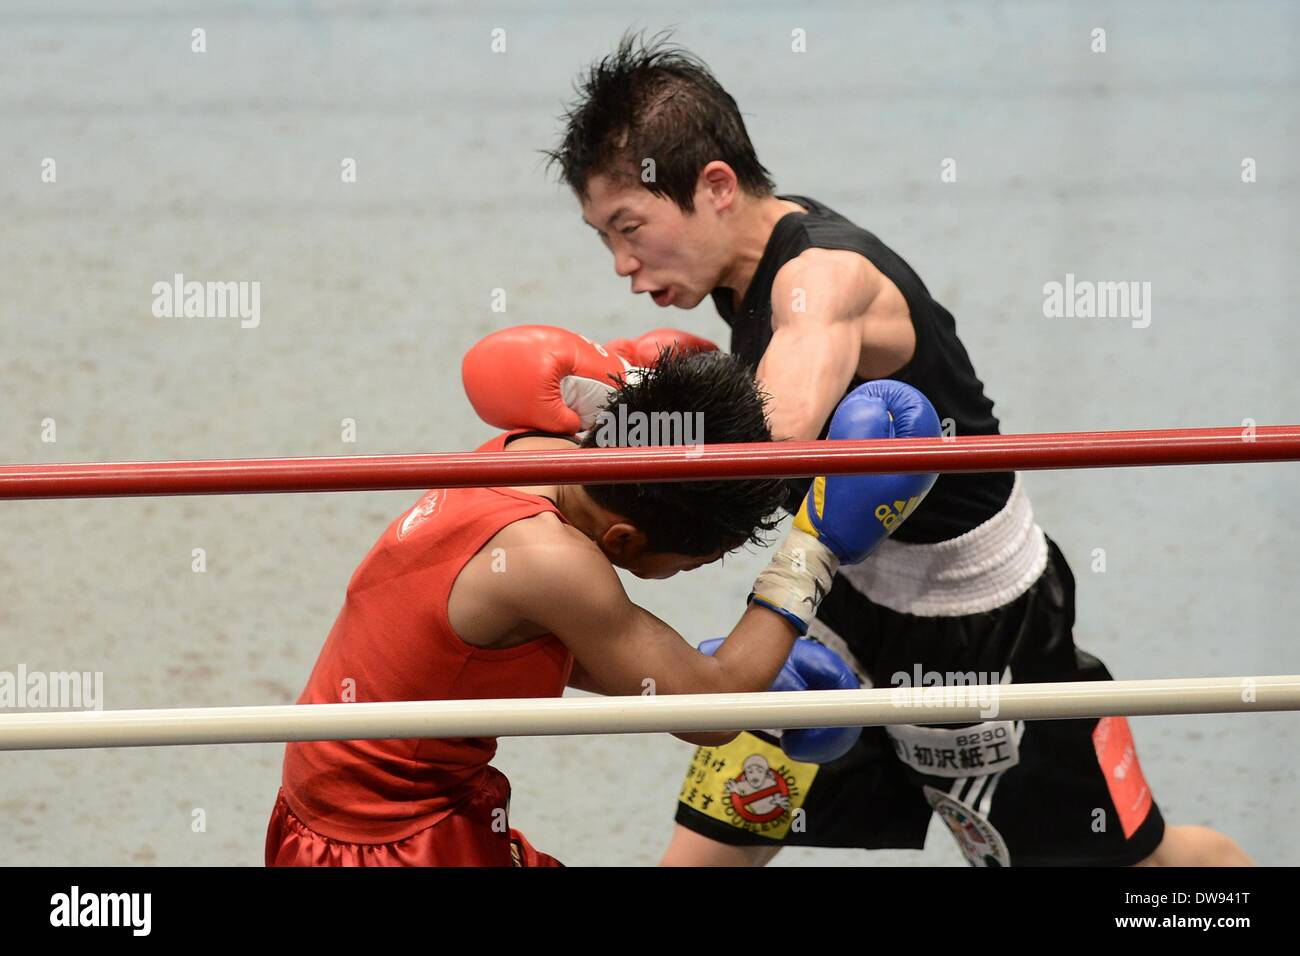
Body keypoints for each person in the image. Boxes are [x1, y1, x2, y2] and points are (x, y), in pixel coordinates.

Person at [542, 32, 1252, 866]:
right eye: (604, 238)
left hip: (972, 624)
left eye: (631, 228)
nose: (623, 264)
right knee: (705, 850)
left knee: (1136, 868)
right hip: (835, 592)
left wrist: (603, 428)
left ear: (717, 186)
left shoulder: (822, 280)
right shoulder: (746, 270)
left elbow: (771, 443)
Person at [265, 326, 937, 866]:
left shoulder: (530, 450)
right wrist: (812, 546)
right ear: (620, 541)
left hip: (363, 803)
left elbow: (488, 651)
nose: (698, 570)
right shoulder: (553, 563)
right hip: (385, 842)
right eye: (692, 563)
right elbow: (708, 713)